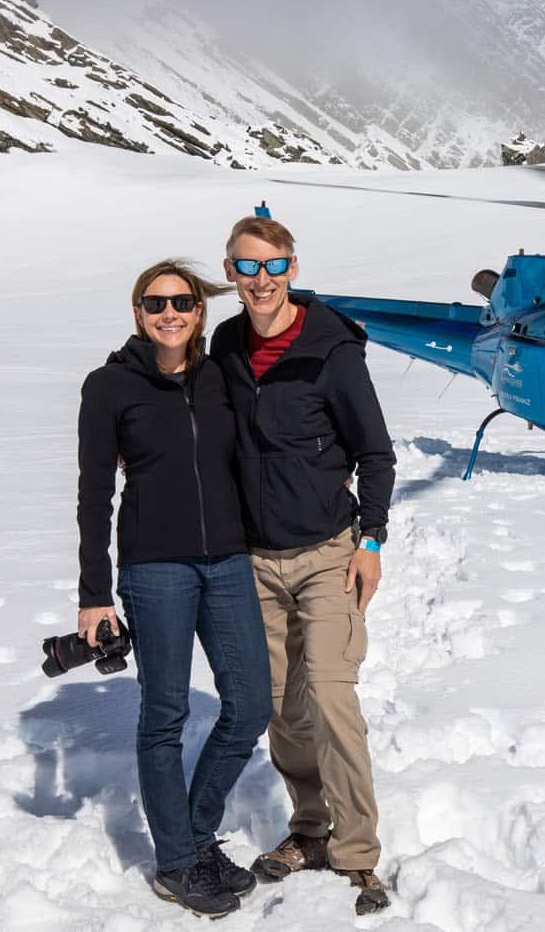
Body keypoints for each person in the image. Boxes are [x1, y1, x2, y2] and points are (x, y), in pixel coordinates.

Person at [209, 215, 397, 916]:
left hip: (326, 553)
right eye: (246, 267)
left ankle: (357, 854)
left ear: (293, 267)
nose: (261, 281)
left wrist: (370, 542)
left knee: (329, 691)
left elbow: (375, 454)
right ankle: (309, 829)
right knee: (280, 705)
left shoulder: (332, 350)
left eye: (273, 266)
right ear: (229, 272)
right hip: (252, 559)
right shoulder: (225, 344)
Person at [77, 259, 272, 918]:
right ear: (138, 313)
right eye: (155, 303)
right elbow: (94, 494)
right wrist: (94, 594)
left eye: (182, 302)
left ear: (199, 311)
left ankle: (192, 833)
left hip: (228, 563)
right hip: (154, 568)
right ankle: (177, 864)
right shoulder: (109, 387)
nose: (169, 313)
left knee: (250, 707)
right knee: (164, 716)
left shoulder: (221, 377)